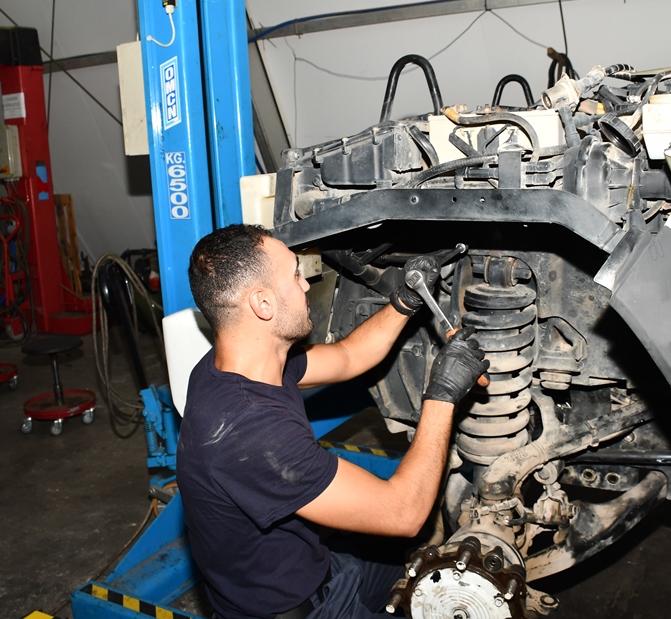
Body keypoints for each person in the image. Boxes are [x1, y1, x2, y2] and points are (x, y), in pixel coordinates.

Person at [176, 224, 489, 619]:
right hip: (295, 611)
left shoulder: (236, 365)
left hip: (318, 568)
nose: (305, 285)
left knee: (417, 565)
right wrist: (442, 394)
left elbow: (348, 356)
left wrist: (405, 301)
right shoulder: (251, 433)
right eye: (293, 274)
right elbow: (404, 513)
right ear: (262, 304)